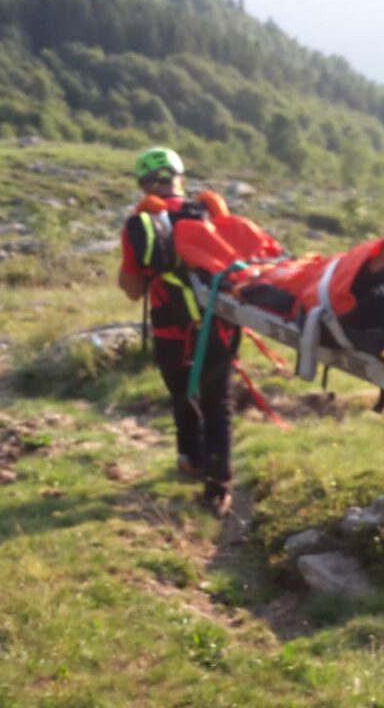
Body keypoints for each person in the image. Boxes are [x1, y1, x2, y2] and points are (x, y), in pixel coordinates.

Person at [117, 147, 240, 517]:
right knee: (217, 404)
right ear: (180, 179)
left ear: (144, 186)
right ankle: (217, 488)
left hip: (170, 330)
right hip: (220, 325)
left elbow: (133, 290)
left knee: (182, 392)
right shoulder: (211, 215)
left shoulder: (143, 223)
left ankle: (190, 457)